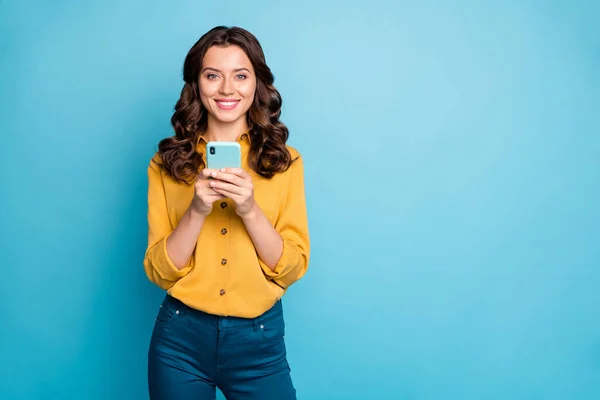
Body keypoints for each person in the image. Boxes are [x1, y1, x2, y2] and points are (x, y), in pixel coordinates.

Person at [143, 26, 310, 400]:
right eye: (212, 75)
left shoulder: (286, 162)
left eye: (240, 75)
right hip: (180, 339)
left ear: (257, 84)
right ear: (197, 84)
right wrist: (197, 210)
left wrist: (250, 209)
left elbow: (292, 266)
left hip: (259, 341)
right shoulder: (166, 163)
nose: (227, 89)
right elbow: (159, 270)